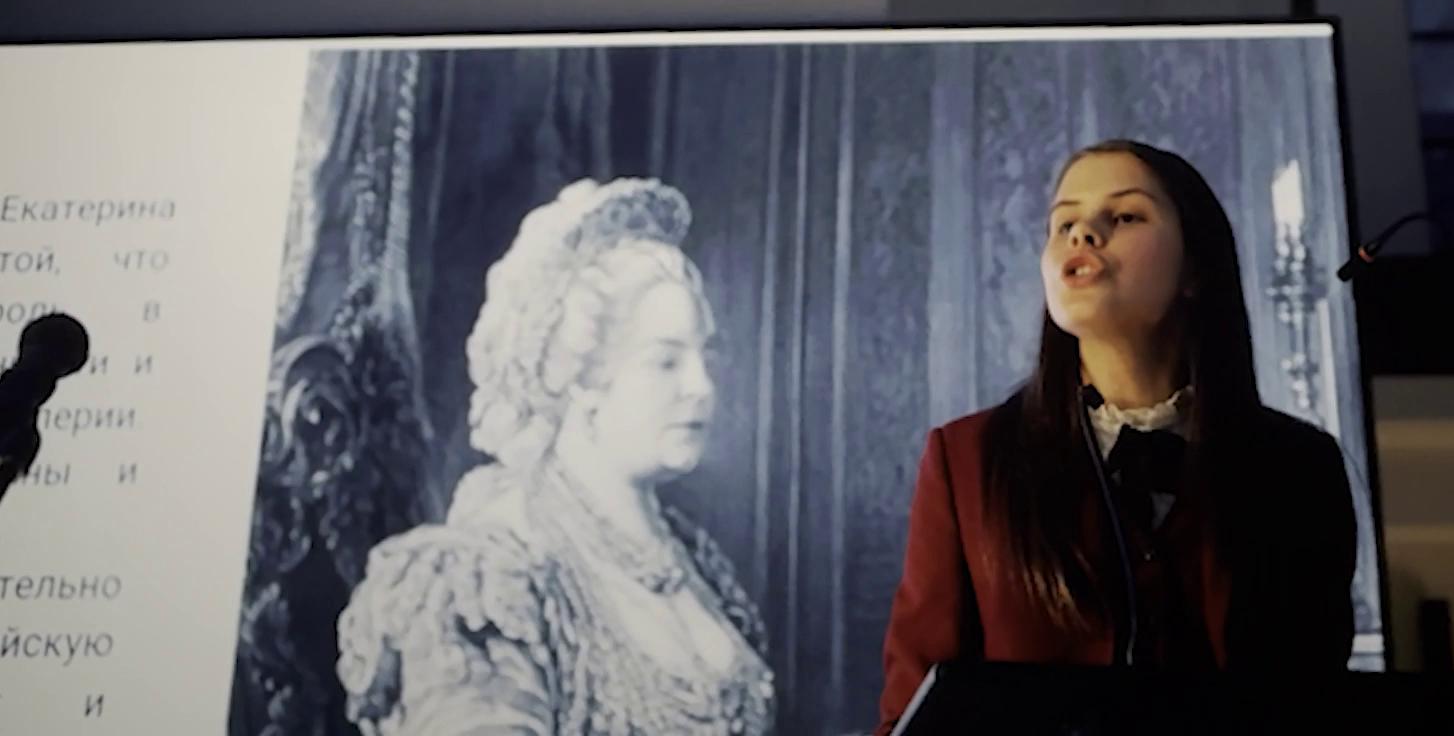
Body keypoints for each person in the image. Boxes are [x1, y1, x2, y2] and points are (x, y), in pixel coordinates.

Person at [874, 139, 1357, 733]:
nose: (1083, 234)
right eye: (1064, 224)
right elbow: (913, 707)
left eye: (1125, 216)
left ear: (1195, 268)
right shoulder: (967, 460)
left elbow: (1316, 701)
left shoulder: (1299, 466)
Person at [334, 178, 775, 735]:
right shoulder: (484, 576)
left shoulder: (692, 559)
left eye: (704, 357)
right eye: (665, 362)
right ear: (579, 380)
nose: (701, 386)